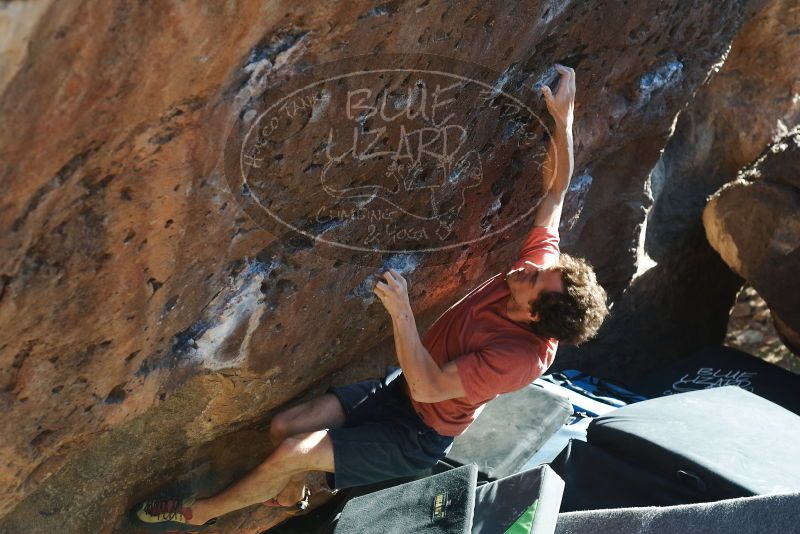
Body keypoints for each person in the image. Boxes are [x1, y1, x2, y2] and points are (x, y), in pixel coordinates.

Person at [133, 63, 608, 530]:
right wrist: (563, 121)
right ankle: (293, 495)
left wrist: (402, 313)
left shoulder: (519, 358)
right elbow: (554, 196)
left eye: (533, 283)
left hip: (418, 433)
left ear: (531, 315)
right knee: (285, 429)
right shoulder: (540, 272)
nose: (527, 269)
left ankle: (202, 514)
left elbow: (428, 388)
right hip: (401, 390)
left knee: (293, 450)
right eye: (542, 270)